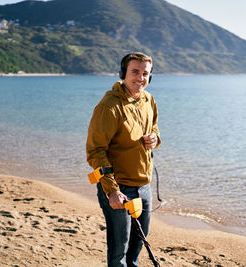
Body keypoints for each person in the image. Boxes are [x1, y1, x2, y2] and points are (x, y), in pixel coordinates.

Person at [86, 52, 161, 267]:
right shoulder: (109, 106)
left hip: (144, 186)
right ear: (123, 74)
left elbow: (154, 128)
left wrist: (155, 139)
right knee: (119, 251)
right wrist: (111, 190)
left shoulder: (148, 100)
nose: (140, 78)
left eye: (145, 73)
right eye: (135, 72)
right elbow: (96, 151)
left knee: (137, 247)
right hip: (119, 189)